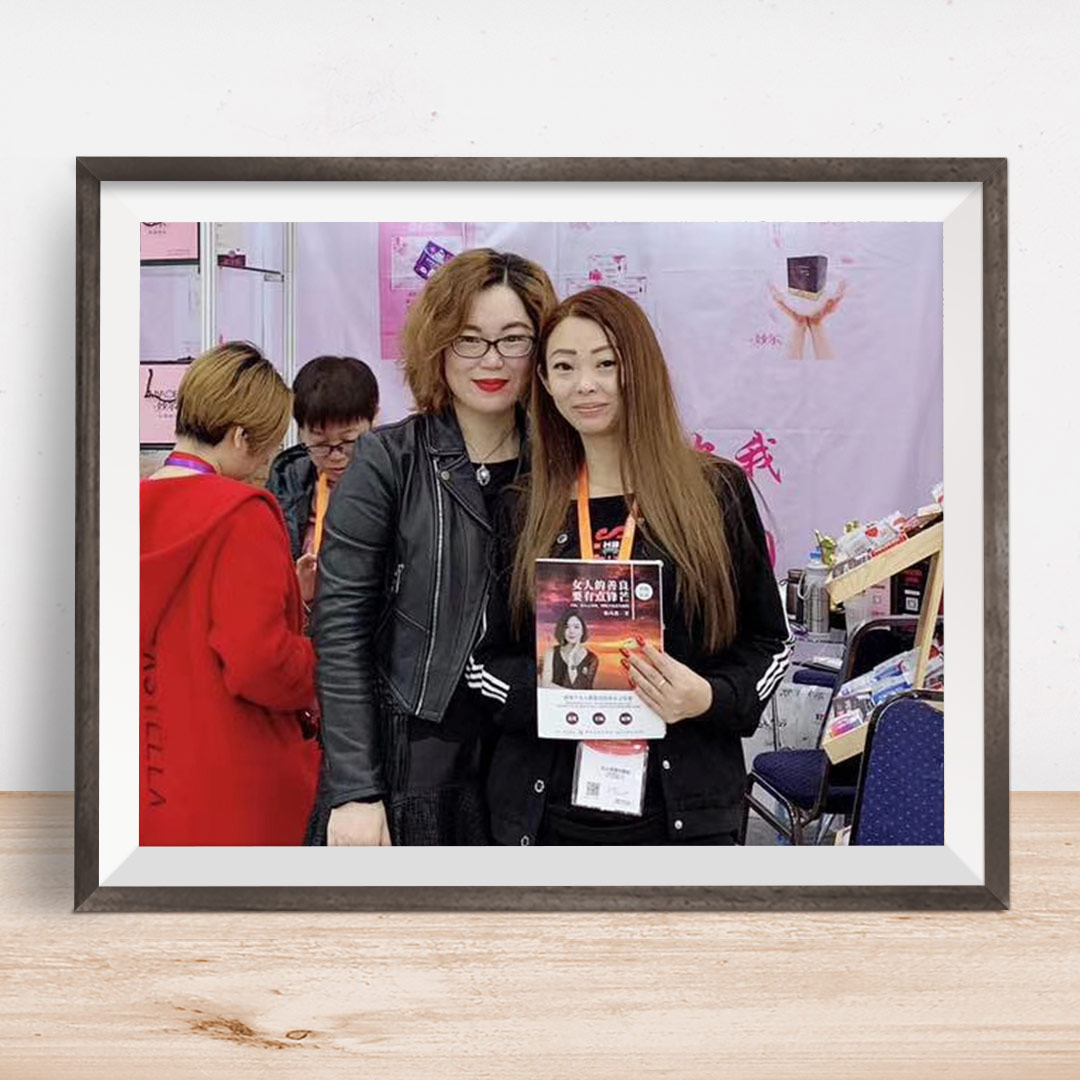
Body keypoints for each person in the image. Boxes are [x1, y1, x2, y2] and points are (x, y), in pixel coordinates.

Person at [485, 286, 793, 846]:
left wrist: (708, 697)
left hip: (685, 815)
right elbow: (484, 657)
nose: (585, 384)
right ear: (545, 382)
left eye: (606, 363)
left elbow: (769, 641)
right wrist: (552, 696)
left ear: (641, 370)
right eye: (564, 366)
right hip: (545, 813)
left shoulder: (713, 491)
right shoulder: (521, 506)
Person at [310, 249, 559, 846]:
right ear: (438, 345)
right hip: (414, 764)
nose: (491, 360)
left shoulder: (562, 464)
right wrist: (355, 790)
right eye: (469, 339)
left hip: (534, 762)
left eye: (513, 339)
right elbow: (339, 631)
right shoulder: (388, 459)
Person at [140, 342, 321, 845]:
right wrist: (322, 662)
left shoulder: (122, 508)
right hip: (235, 781)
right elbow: (260, 661)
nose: (269, 460)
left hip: (150, 776)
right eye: (270, 445)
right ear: (241, 437)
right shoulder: (241, 513)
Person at [267, 355, 381, 604]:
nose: (336, 456)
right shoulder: (286, 480)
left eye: (348, 441)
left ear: (375, 420)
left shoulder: (395, 481)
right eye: (320, 444)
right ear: (300, 432)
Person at [541, 608, 599, 689]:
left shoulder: (592, 659)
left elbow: (581, 687)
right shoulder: (551, 652)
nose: (571, 631)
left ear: (583, 631)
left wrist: (572, 657)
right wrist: (571, 657)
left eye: (576, 627)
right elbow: (546, 684)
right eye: (567, 627)